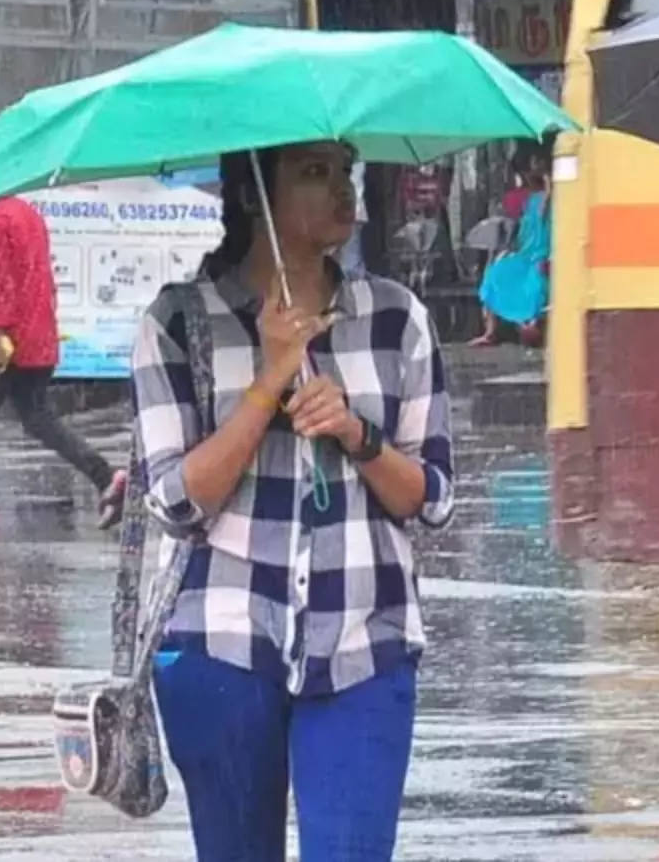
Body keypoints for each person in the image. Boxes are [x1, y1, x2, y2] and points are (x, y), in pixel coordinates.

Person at [130, 140, 455, 861]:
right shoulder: (179, 322)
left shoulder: (396, 319)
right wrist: (267, 382)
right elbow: (177, 503)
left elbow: (432, 499)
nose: (342, 188)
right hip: (221, 646)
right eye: (314, 172)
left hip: (364, 642)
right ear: (254, 194)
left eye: (346, 169)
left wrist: (356, 433)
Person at [0, 196, 126, 531]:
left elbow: (0, 283)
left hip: (4, 341)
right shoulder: (29, 214)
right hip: (38, 336)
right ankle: (104, 476)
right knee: (37, 417)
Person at [471, 142, 550, 347]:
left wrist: (546, 176)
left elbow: (545, 207)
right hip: (525, 254)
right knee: (496, 272)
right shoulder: (527, 200)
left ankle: (531, 322)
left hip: (543, 253)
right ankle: (490, 331)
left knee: (535, 280)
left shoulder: (549, 197)